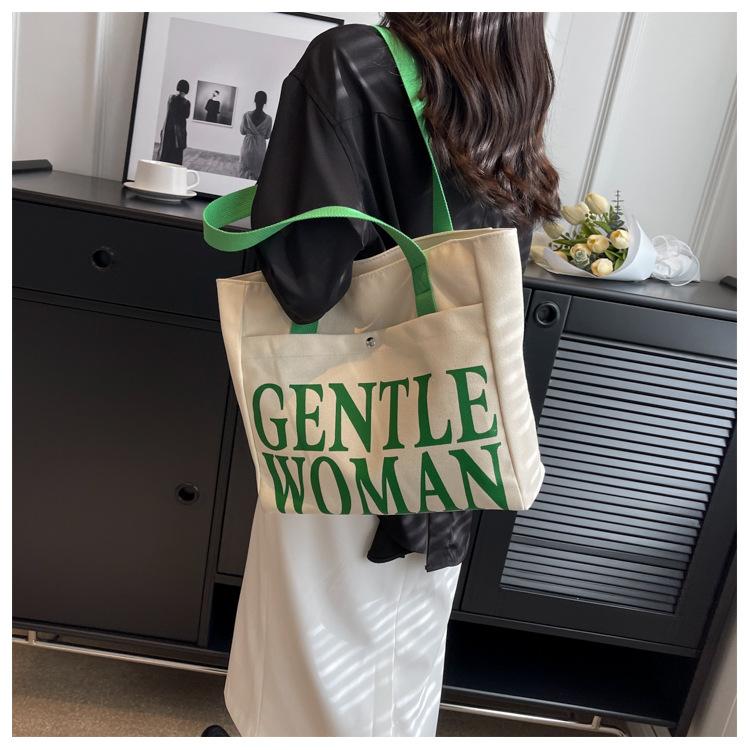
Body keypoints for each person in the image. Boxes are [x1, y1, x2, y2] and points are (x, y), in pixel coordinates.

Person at [211, 14, 560, 738]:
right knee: (396, 673)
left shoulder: (349, 59)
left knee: (309, 674)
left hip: (344, 432)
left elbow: (308, 281)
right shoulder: (513, 74)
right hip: (448, 444)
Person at [238, 91, 273, 180]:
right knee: (257, 175)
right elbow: (267, 136)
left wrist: (251, 132)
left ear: (254, 100)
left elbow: (242, 131)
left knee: (243, 172)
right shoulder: (269, 119)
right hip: (260, 149)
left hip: (247, 147)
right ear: (265, 102)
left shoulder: (246, 115)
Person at [156, 79, 190, 165]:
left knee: (166, 151)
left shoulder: (171, 98)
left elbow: (169, 112)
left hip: (169, 128)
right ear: (187, 90)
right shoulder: (187, 103)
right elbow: (187, 115)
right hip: (179, 131)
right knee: (177, 154)